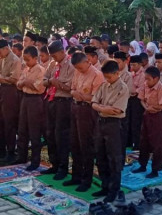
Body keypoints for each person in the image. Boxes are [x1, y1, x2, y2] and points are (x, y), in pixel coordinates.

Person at [91, 60, 129, 203]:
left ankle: (114, 190)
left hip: (114, 124)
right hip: (101, 122)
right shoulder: (104, 85)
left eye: (110, 77)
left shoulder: (122, 88)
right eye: (105, 77)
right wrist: (103, 108)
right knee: (100, 156)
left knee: (114, 158)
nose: (107, 79)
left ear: (116, 73)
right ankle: (105, 185)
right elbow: (94, 103)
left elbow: (117, 110)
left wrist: (101, 107)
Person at [66, 52, 104, 192]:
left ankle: (86, 180)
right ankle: (76, 176)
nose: (80, 71)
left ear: (87, 61)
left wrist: (80, 95)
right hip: (76, 108)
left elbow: (94, 97)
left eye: (81, 68)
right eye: (77, 68)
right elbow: (72, 89)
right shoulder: (76, 72)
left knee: (86, 145)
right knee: (74, 143)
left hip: (88, 111)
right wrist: (78, 95)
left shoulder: (97, 75)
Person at [43, 40, 75, 180]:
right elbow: (44, 80)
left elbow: (71, 87)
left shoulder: (71, 65)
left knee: (61, 135)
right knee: (49, 133)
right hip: (51, 100)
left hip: (64, 102)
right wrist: (50, 82)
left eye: (55, 55)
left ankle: (63, 167)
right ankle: (54, 164)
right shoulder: (52, 64)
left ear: (62, 52)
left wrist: (59, 84)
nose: (53, 58)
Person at [132, 66, 162, 178]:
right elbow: (141, 99)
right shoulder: (145, 85)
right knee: (143, 141)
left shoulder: (161, 89)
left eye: (148, 79)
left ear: (156, 78)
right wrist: (146, 108)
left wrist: (152, 108)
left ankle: (155, 169)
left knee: (157, 143)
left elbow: (161, 106)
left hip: (156, 116)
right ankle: (142, 165)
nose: (146, 81)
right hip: (147, 114)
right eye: (145, 79)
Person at [16, 46, 46, 169]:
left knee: (34, 131)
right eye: (24, 59)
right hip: (25, 99)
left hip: (35, 100)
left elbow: (39, 87)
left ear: (35, 58)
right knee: (22, 128)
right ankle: (21, 156)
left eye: (28, 59)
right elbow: (19, 84)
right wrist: (26, 83)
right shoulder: (26, 69)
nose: (26, 62)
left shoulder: (40, 70)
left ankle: (35, 161)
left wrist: (26, 83)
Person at [0, 39, 22, 162]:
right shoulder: (1, 59)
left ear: (6, 48)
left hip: (10, 91)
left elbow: (14, 79)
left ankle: (10, 151)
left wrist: (0, 78)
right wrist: (1, 78)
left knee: (9, 122)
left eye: (0, 52)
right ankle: (0, 148)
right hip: (0, 90)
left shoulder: (15, 60)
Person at [113, 51, 133, 164]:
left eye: (118, 62)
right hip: (112, 108)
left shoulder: (128, 76)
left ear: (125, 62)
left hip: (123, 106)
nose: (116, 64)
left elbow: (128, 93)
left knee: (122, 133)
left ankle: (120, 159)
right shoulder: (113, 73)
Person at [128, 55, 145, 150]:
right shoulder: (131, 74)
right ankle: (131, 141)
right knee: (130, 121)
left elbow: (142, 87)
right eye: (131, 65)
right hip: (130, 98)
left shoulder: (143, 75)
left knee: (137, 122)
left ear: (139, 64)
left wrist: (134, 91)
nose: (132, 67)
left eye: (134, 65)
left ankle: (138, 143)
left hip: (138, 100)